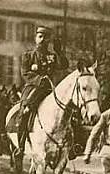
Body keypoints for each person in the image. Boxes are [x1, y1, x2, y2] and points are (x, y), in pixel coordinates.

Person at [16, 25, 69, 157]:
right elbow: (25, 73)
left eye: (46, 38)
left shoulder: (52, 56)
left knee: (67, 110)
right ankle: (20, 146)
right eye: (40, 36)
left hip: (49, 90)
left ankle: (71, 146)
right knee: (24, 112)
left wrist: (59, 52)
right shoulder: (28, 56)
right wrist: (39, 79)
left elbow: (64, 65)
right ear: (36, 38)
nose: (43, 40)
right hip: (33, 88)